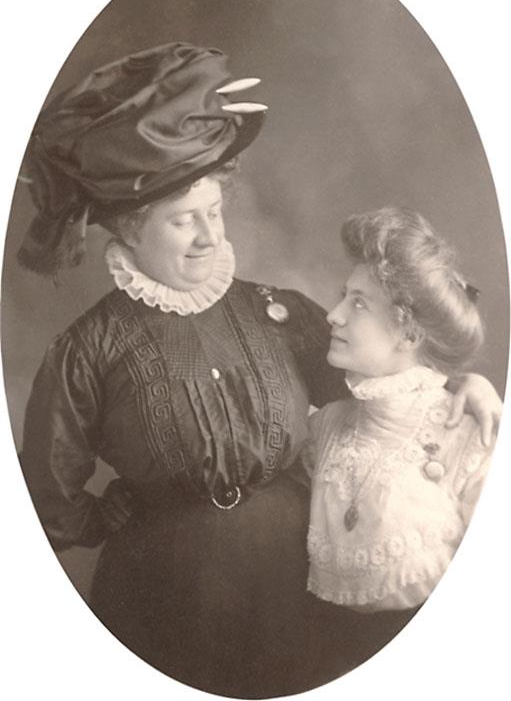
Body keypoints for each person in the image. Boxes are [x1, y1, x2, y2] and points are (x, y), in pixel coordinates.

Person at [14, 42, 501, 698]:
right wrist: (114, 515)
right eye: (183, 220)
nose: (209, 236)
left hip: (292, 596)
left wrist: (463, 384)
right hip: (162, 599)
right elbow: (48, 502)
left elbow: (386, 390)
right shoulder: (87, 350)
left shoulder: (281, 314)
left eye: (214, 212)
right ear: (128, 231)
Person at [305, 206, 495, 668]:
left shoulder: (472, 436)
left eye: (358, 304)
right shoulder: (326, 426)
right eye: (343, 297)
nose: (333, 315)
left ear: (408, 334)